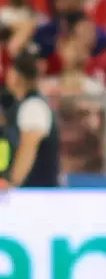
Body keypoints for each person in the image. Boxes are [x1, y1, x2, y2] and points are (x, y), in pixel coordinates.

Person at [0, 46, 60, 190]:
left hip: (37, 194)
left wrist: (12, 183)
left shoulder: (33, 106)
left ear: (16, 75)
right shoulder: (18, 106)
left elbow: (28, 148)